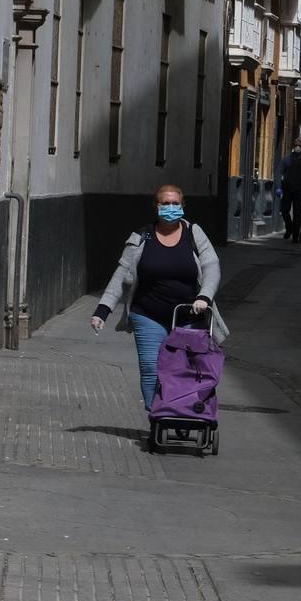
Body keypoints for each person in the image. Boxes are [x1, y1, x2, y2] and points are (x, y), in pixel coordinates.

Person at [90, 185, 229, 445]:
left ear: (183, 205)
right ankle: (159, 415)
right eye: (165, 203)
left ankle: (187, 412)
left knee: (188, 371)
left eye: (175, 203)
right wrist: (103, 310)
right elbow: (122, 275)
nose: (170, 208)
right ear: (156, 206)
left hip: (189, 315)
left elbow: (212, 266)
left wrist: (204, 297)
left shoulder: (194, 234)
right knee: (152, 368)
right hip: (148, 314)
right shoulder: (142, 237)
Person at [280, 137, 301, 243]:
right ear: (293, 147)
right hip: (287, 190)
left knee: (297, 213)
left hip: (299, 191)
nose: (297, 148)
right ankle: (289, 228)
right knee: (284, 210)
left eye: (299, 146)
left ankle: (294, 236)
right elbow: (280, 172)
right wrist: (279, 187)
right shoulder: (287, 159)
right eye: (296, 146)